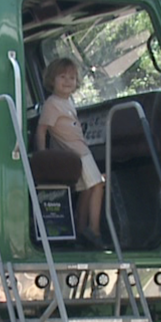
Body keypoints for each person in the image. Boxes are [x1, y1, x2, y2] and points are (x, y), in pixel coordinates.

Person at [36, 57, 105, 246]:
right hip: (79, 152)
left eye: (72, 78)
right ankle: (95, 229)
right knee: (98, 185)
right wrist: (43, 155)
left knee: (86, 191)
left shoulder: (68, 102)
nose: (68, 81)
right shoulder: (53, 103)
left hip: (79, 151)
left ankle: (80, 230)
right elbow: (43, 129)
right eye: (62, 76)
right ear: (52, 80)